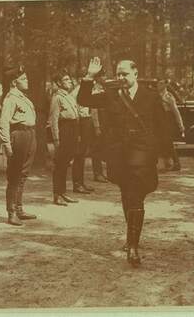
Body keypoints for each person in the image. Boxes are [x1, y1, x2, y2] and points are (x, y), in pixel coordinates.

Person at [77, 57, 166, 267]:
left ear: (136, 73)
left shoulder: (151, 96)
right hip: (119, 155)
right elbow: (83, 100)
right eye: (118, 73)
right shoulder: (111, 95)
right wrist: (89, 76)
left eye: (125, 73)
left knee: (135, 195)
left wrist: (163, 156)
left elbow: (163, 128)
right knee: (127, 195)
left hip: (142, 155)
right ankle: (131, 237)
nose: (121, 77)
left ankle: (133, 247)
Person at [0, 65, 38, 226]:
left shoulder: (22, 97)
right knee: (14, 176)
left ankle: (19, 208)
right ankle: (11, 212)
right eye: (24, 79)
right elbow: (3, 123)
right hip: (18, 135)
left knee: (23, 174)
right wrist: (7, 145)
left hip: (29, 134)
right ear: (14, 82)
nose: (27, 81)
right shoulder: (11, 98)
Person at [49, 71, 80, 206]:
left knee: (66, 162)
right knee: (60, 164)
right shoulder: (57, 98)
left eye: (69, 79)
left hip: (72, 129)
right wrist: (56, 139)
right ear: (59, 83)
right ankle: (57, 194)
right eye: (66, 79)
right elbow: (54, 119)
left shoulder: (69, 96)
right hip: (64, 130)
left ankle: (63, 193)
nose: (69, 81)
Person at [72, 87, 95, 194]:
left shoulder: (88, 90)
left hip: (87, 120)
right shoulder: (78, 91)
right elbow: (75, 110)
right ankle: (77, 184)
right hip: (81, 121)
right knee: (79, 154)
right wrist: (78, 131)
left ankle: (81, 182)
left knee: (83, 154)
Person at [157, 79, 185, 171]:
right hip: (160, 120)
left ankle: (176, 163)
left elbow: (175, 111)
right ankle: (167, 163)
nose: (159, 85)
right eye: (158, 83)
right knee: (163, 142)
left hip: (168, 120)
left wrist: (180, 125)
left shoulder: (168, 96)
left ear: (165, 85)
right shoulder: (158, 95)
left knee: (168, 142)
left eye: (161, 83)